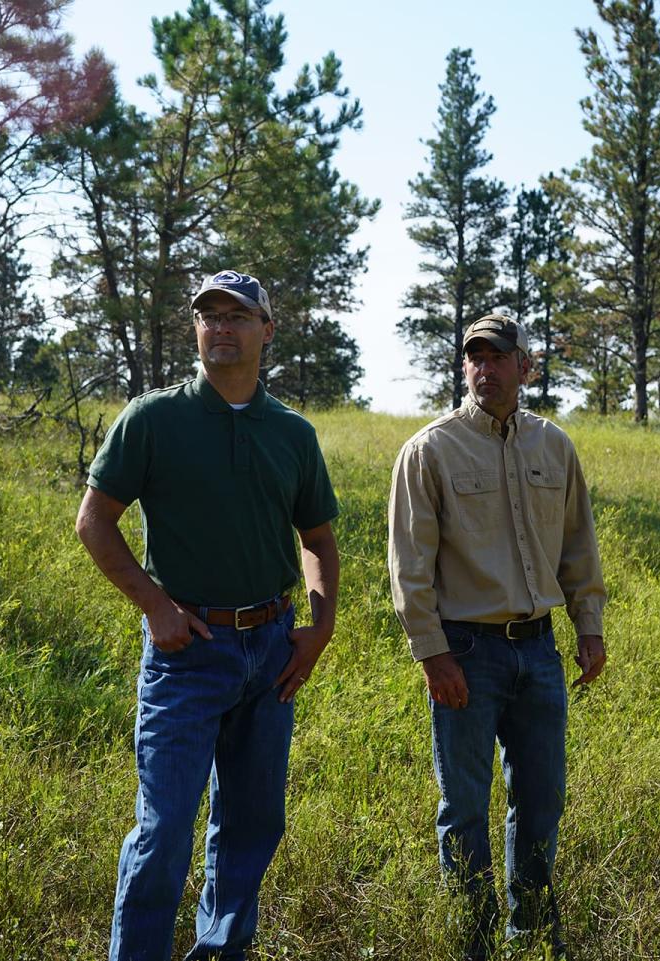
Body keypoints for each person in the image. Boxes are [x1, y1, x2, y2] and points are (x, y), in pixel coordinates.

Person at [75, 270, 340, 961]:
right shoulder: (153, 418)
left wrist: (318, 628)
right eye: (208, 315)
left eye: (238, 315)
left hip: (272, 648)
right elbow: (94, 523)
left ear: (266, 330)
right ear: (195, 328)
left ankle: (222, 949)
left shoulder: (291, 433)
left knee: (252, 823)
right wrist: (156, 606)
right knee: (163, 830)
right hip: (185, 652)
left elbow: (317, 541)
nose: (221, 327)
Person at [387, 314, 607, 960]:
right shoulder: (429, 450)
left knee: (542, 799)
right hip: (466, 653)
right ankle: (472, 941)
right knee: (463, 807)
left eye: (497, 356)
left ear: (524, 366)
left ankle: (534, 932)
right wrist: (432, 653)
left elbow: (578, 546)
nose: (484, 367)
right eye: (473, 356)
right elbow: (408, 567)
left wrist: (587, 628)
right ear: (464, 368)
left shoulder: (555, 447)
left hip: (539, 650)